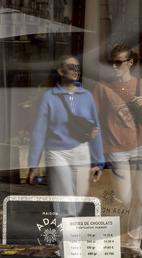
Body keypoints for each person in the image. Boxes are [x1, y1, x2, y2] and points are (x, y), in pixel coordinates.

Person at [94, 44, 142, 248]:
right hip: (116, 148)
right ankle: (110, 235)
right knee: (124, 197)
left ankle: (133, 242)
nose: (114, 67)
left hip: (141, 145)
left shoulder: (141, 85)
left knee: (140, 197)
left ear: (130, 62)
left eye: (119, 63)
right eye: (112, 62)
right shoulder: (103, 87)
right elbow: (91, 114)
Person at [27, 55, 104, 198]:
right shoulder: (49, 97)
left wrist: (99, 161)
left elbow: (95, 128)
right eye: (71, 67)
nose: (76, 71)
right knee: (65, 201)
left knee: (80, 199)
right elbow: (39, 132)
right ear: (61, 71)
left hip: (82, 151)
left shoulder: (87, 96)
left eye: (78, 68)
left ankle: (70, 220)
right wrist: (33, 165)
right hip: (57, 153)